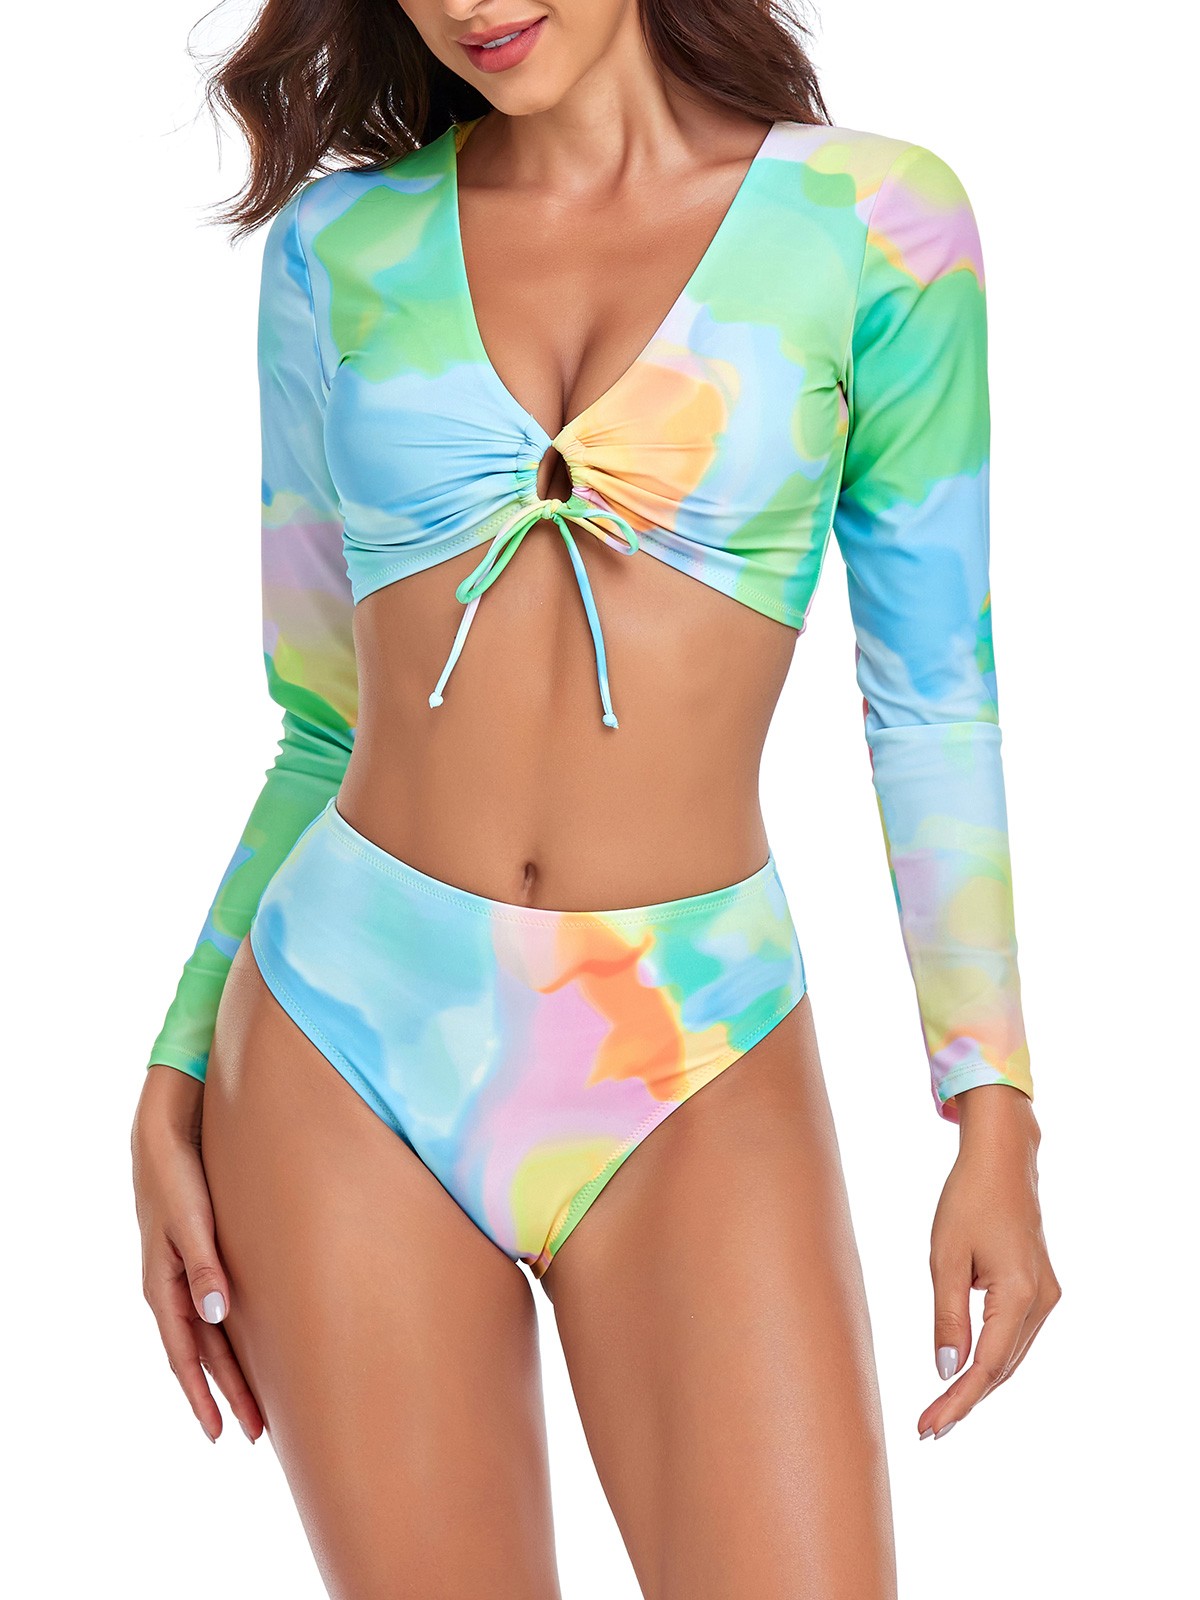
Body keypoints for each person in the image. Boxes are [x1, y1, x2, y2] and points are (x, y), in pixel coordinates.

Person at [130, 2, 1061, 1593]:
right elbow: (319, 722)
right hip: (343, 1039)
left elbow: (933, 701)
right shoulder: (336, 251)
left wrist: (994, 1111)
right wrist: (174, 1064)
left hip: (694, 1040)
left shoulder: (879, 228)